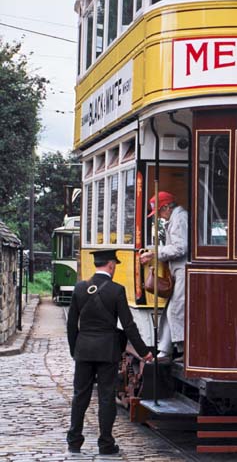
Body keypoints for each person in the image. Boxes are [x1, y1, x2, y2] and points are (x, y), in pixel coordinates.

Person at [66, 249, 153, 456]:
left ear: (97, 264)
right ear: (111, 265)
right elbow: (129, 326)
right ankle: (105, 444)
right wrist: (144, 352)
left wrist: (74, 350)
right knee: (106, 397)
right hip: (107, 351)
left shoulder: (80, 288)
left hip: (84, 350)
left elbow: (71, 325)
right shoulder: (117, 290)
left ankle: (74, 441)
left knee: (80, 396)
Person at [140, 191, 188, 362]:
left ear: (167, 207)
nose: (159, 217)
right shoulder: (175, 218)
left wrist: (155, 253)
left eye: (160, 212)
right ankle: (168, 349)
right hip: (178, 270)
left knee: (177, 308)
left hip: (183, 270)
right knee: (172, 309)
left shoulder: (179, 218)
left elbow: (180, 247)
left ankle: (183, 351)